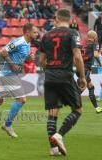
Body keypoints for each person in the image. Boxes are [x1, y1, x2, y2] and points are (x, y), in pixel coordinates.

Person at [39, 9, 87, 156]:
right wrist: (82, 77)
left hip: (49, 76)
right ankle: (59, 136)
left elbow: (41, 61)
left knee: (53, 112)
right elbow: (78, 57)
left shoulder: (46, 35)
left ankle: (53, 149)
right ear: (70, 19)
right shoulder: (73, 33)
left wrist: (51, 70)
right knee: (77, 109)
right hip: (65, 75)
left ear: (56, 19)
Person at [77, 30, 102, 113]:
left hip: (80, 69)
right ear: (95, 37)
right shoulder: (94, 44)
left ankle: (97, 108)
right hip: (85, 70)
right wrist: (100, 63)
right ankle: (67, 99)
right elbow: (96, 54)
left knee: (91, 87)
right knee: (81, 88)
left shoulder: (84, 45)